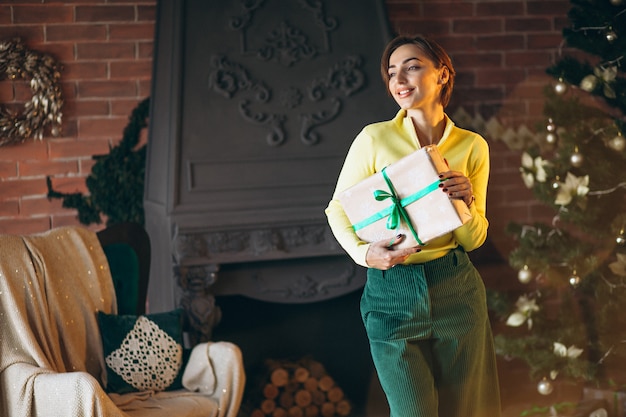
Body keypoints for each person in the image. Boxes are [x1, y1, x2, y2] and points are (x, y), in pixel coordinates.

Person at [325, 34, 501, 417]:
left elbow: (473, 240)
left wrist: (465, 203)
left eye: (412, 66)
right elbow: (336, 210)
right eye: (392, 72)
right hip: (391, 297)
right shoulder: (374, 138)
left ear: (442, 75)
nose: (399, 79)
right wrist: (364, 254)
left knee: (467, 411)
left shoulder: (473, 147)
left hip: (456, 288)